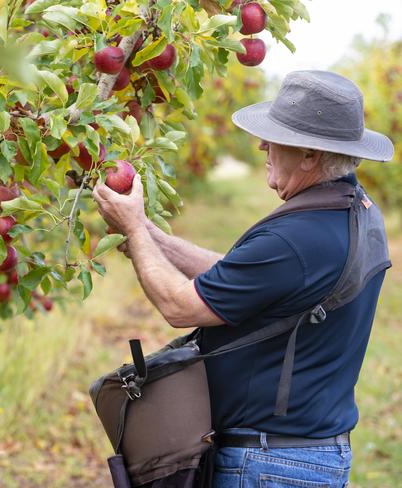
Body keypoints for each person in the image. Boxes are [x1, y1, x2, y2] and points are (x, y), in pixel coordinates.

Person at [92, 70, 395, 487]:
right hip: (306, 453)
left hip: (269, 464)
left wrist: (135, 231)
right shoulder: (354, 211)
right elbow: (243, 276)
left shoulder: (297, 238)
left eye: (276, 138)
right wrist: (150, 233)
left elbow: (181, 307)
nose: (262, 145)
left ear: (309, 155)